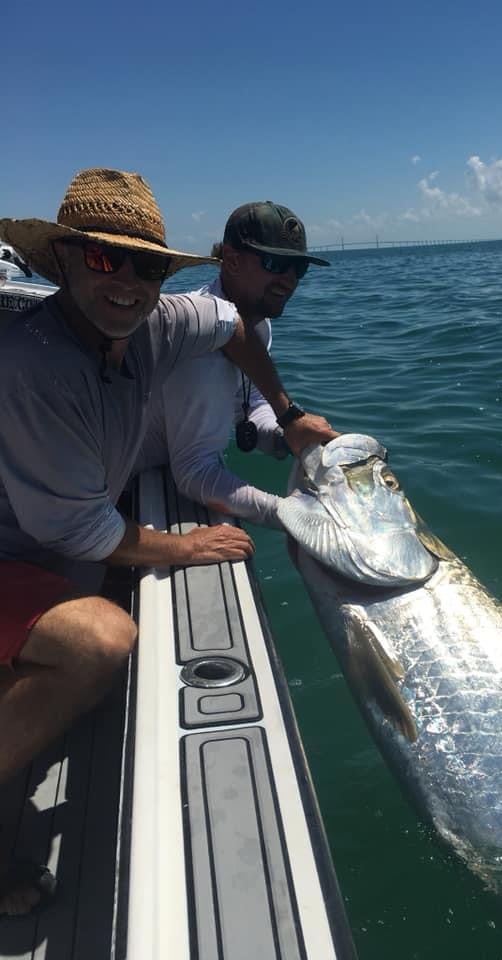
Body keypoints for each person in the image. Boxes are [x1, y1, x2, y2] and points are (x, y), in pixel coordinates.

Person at [0, 168, 336, 916]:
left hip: (45, 535)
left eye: (146, 265)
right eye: (102, 259)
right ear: (61, 261)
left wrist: (286, 414)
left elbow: (235, 332)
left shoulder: (167, 322)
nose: (127, 281)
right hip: (21, 546)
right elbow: (81, 528)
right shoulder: (36, 365)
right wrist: (190, 547)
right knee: (99, 642)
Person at [133, 201, 331, 528]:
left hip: (165, 467)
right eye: (275, 263)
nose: (289, 280)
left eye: (299, 268)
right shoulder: (197, 348)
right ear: (232, 261)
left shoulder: (259, 326)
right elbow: (194, 474)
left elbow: (252, 404)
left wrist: (287, 439)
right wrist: (295, 518)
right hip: (121, 486)